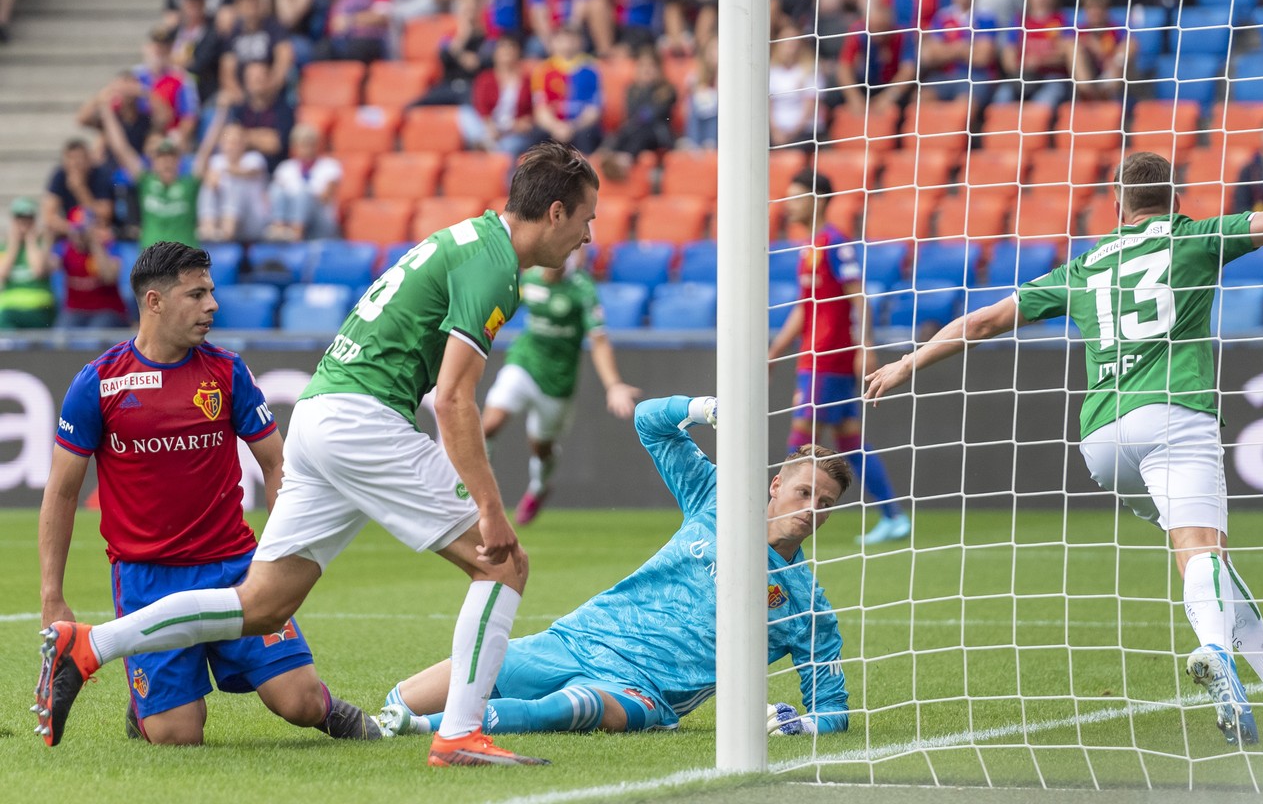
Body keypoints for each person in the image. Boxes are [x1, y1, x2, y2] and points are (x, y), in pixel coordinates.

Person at [865, 139, 1263, 745]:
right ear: (1174, 197)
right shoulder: (1195, 237)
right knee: (1200, 548)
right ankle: (1214, 656)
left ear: (1118, 203)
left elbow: (983, 321)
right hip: (1173, 414)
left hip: (1100, 438)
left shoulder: (1086, 265)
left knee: (1208, 557)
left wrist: (907, 364)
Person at [37, 143, 601, 769]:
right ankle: (462, 734)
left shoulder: (466, 239)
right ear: (554, 212)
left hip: (318, 412)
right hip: (364, 420)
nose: (587, 236)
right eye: (585, 219)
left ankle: (88, 645)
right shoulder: (496, 266)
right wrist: (491, 509)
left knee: (263, 606)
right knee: (503, 565)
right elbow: (452, 399)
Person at [37, 242, 381, 745]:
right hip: (147, 581)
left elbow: (276, 462)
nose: (212, 305)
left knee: (300, 703)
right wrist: (52, 594)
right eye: (196, 294)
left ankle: (333, 711)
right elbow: (63, 493)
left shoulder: (227, 371)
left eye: (211, 292)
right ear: (154, 302)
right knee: (178, 737)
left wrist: (282, 553)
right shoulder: (99, 384)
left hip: (235, 570)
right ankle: (147, 708)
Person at [374, 394, 851, 739]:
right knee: (404, 697)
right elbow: (648, 420)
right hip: (578, 639)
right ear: (774, 487)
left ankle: (420, 730)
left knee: (573, 709)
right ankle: (392, 720)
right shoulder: (718, 499)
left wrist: (802, 723)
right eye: (803, 492)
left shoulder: (805, 604)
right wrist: (707, 409)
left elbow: (833, 709)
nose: (811, 508)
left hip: (641, 690)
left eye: (825, 503)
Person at [770, 170, 909, 545]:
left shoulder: (834, 243)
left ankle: (775, 516)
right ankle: (894, 517)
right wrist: (775, 352)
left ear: (818, 199)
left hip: (827, 359)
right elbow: (805, 307)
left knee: (800, 439)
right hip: (816, 357)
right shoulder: (809, 246)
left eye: (796, 195)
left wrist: (865, 344)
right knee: (850, 441)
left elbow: (857, 294)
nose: (789, 203)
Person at [483, 251, 640, 526]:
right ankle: (478, 496)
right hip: (523, 363)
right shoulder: (529, 279)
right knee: (489, 425)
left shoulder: (582, 289)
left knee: (540, 447)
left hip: (557, 382)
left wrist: (613, 385)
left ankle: (539, 489)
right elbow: (499, 308)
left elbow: (599, 340)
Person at [99, 96, 223, 250]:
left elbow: (207, 149)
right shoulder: (146, 181)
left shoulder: (189, 183)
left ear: (178, 162)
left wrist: (222, 112)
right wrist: (107, 112)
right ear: (154, 162)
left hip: (184, 260)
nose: (166, 163)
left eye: (171, 158)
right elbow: (121, 149)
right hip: (152, 262)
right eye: (161, 158)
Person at [0, 196, 56, 328]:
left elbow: (39, 270)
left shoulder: (42, 244)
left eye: (28, 219)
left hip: (39, 309)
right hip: (10, 309)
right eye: (20, 219)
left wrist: (30, 241)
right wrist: (14, 244)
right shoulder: (4, 248)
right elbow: (2, 273)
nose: (24, 223)